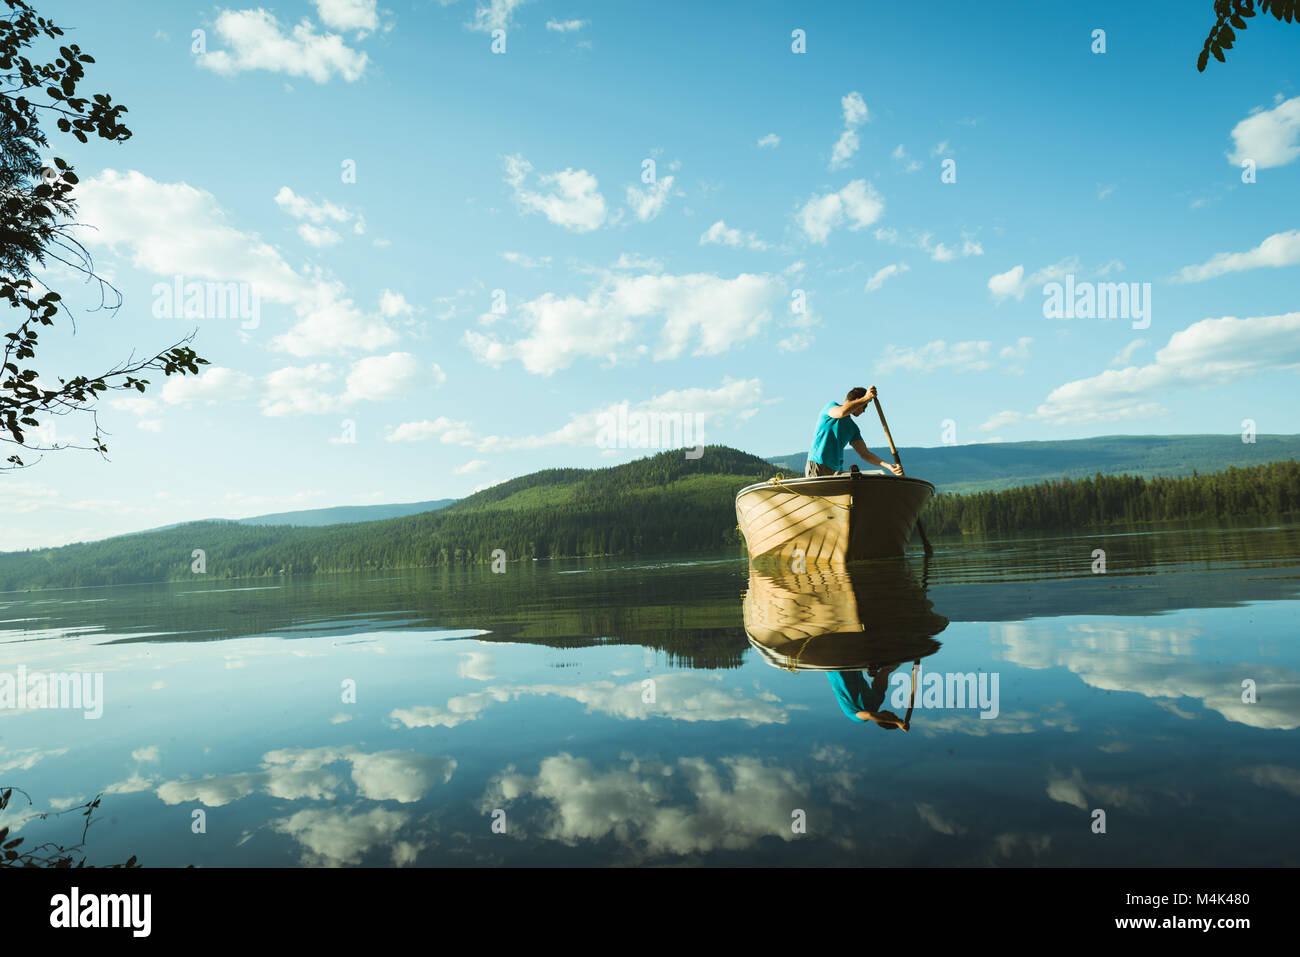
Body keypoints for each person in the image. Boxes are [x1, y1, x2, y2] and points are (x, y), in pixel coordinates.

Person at [805, 386, 904, 478]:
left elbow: (865, 453)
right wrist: (866, 398)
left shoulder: (853, 428)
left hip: (836, 470)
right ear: (857, 401)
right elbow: (841, 412)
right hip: (818, 464)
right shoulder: (831, 407)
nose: (864, 411)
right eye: (864, 406)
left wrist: (888, 466)